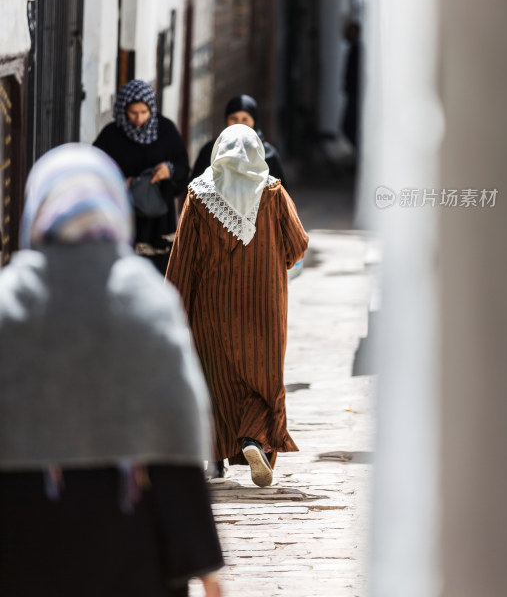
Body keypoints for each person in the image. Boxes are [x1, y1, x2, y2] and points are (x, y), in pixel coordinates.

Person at [0, 144, 223, 597]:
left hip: (24, 534)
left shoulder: (8, 301)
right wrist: (202, 559)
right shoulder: (146, 297)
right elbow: (176, 422)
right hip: (129, 533)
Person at [166, 124, 308, 487]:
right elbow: (298, 244)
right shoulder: (273, 194)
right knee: (261, 379)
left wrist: (172, 309)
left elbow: (183, 260)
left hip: (212, 308)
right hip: (264, 307)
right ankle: (253, 438)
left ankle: (214, 455)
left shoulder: (199, 198)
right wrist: (276, 261)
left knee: (216, 380)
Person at [94, 79, 189, 274]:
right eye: (133, 113)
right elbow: (96, 168)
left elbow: (183, 167)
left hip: (158, 221)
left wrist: (168, 170)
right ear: (122, 111)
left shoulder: (165, 130)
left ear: (152, 110)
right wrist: (119, 182)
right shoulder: (111, 135)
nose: (139, 119)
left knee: (160, 273)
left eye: (144, 112)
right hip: (124, 215)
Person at [190, 94, 287, 188]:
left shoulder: (268, 154)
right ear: (226, 120)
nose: (239, 124)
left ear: (254, 121)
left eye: (245, 119)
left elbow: (280, 195)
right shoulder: (211, 150)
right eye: (233, 118)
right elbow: (194, 190)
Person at [341, 21, 363, 154]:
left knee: (349, 127)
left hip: (355, 94)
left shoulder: (357, 49)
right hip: (353, 93)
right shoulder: (355, 49)